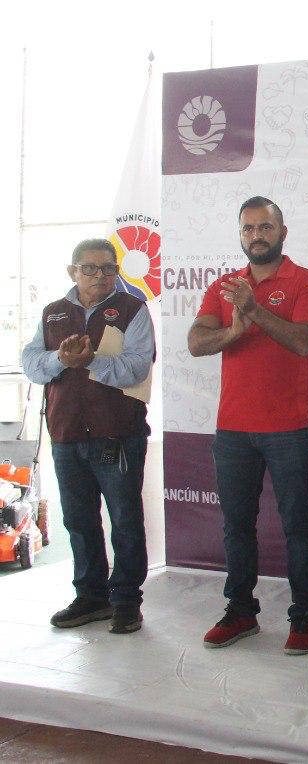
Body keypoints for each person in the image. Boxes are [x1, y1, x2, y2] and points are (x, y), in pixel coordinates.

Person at [188, 196, 308, 656]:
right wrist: (232, 331)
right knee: (236, 525)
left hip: (289, 427)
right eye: (248, 228)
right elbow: (196, 342)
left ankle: (304, 616)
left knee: (297, 523)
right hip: (233, 429)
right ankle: (241, 610)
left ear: (282, 232)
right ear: (240, 235)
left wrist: (253, 311)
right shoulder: (225, 286)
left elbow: (303, 342)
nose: (256, 235)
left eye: (265, 227)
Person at [21, 239, 154, 635]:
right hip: (66, 433)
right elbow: (31, 363)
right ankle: (91, 596)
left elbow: (138, 367)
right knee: (78, 520)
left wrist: (92, 360)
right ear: (72, 272)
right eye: (90, 269)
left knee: (125, 519)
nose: (100, 276)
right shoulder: (53, 313)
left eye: (108, 268)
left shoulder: (132, 309)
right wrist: (60, 359)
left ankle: (126, 601)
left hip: (118, 434)